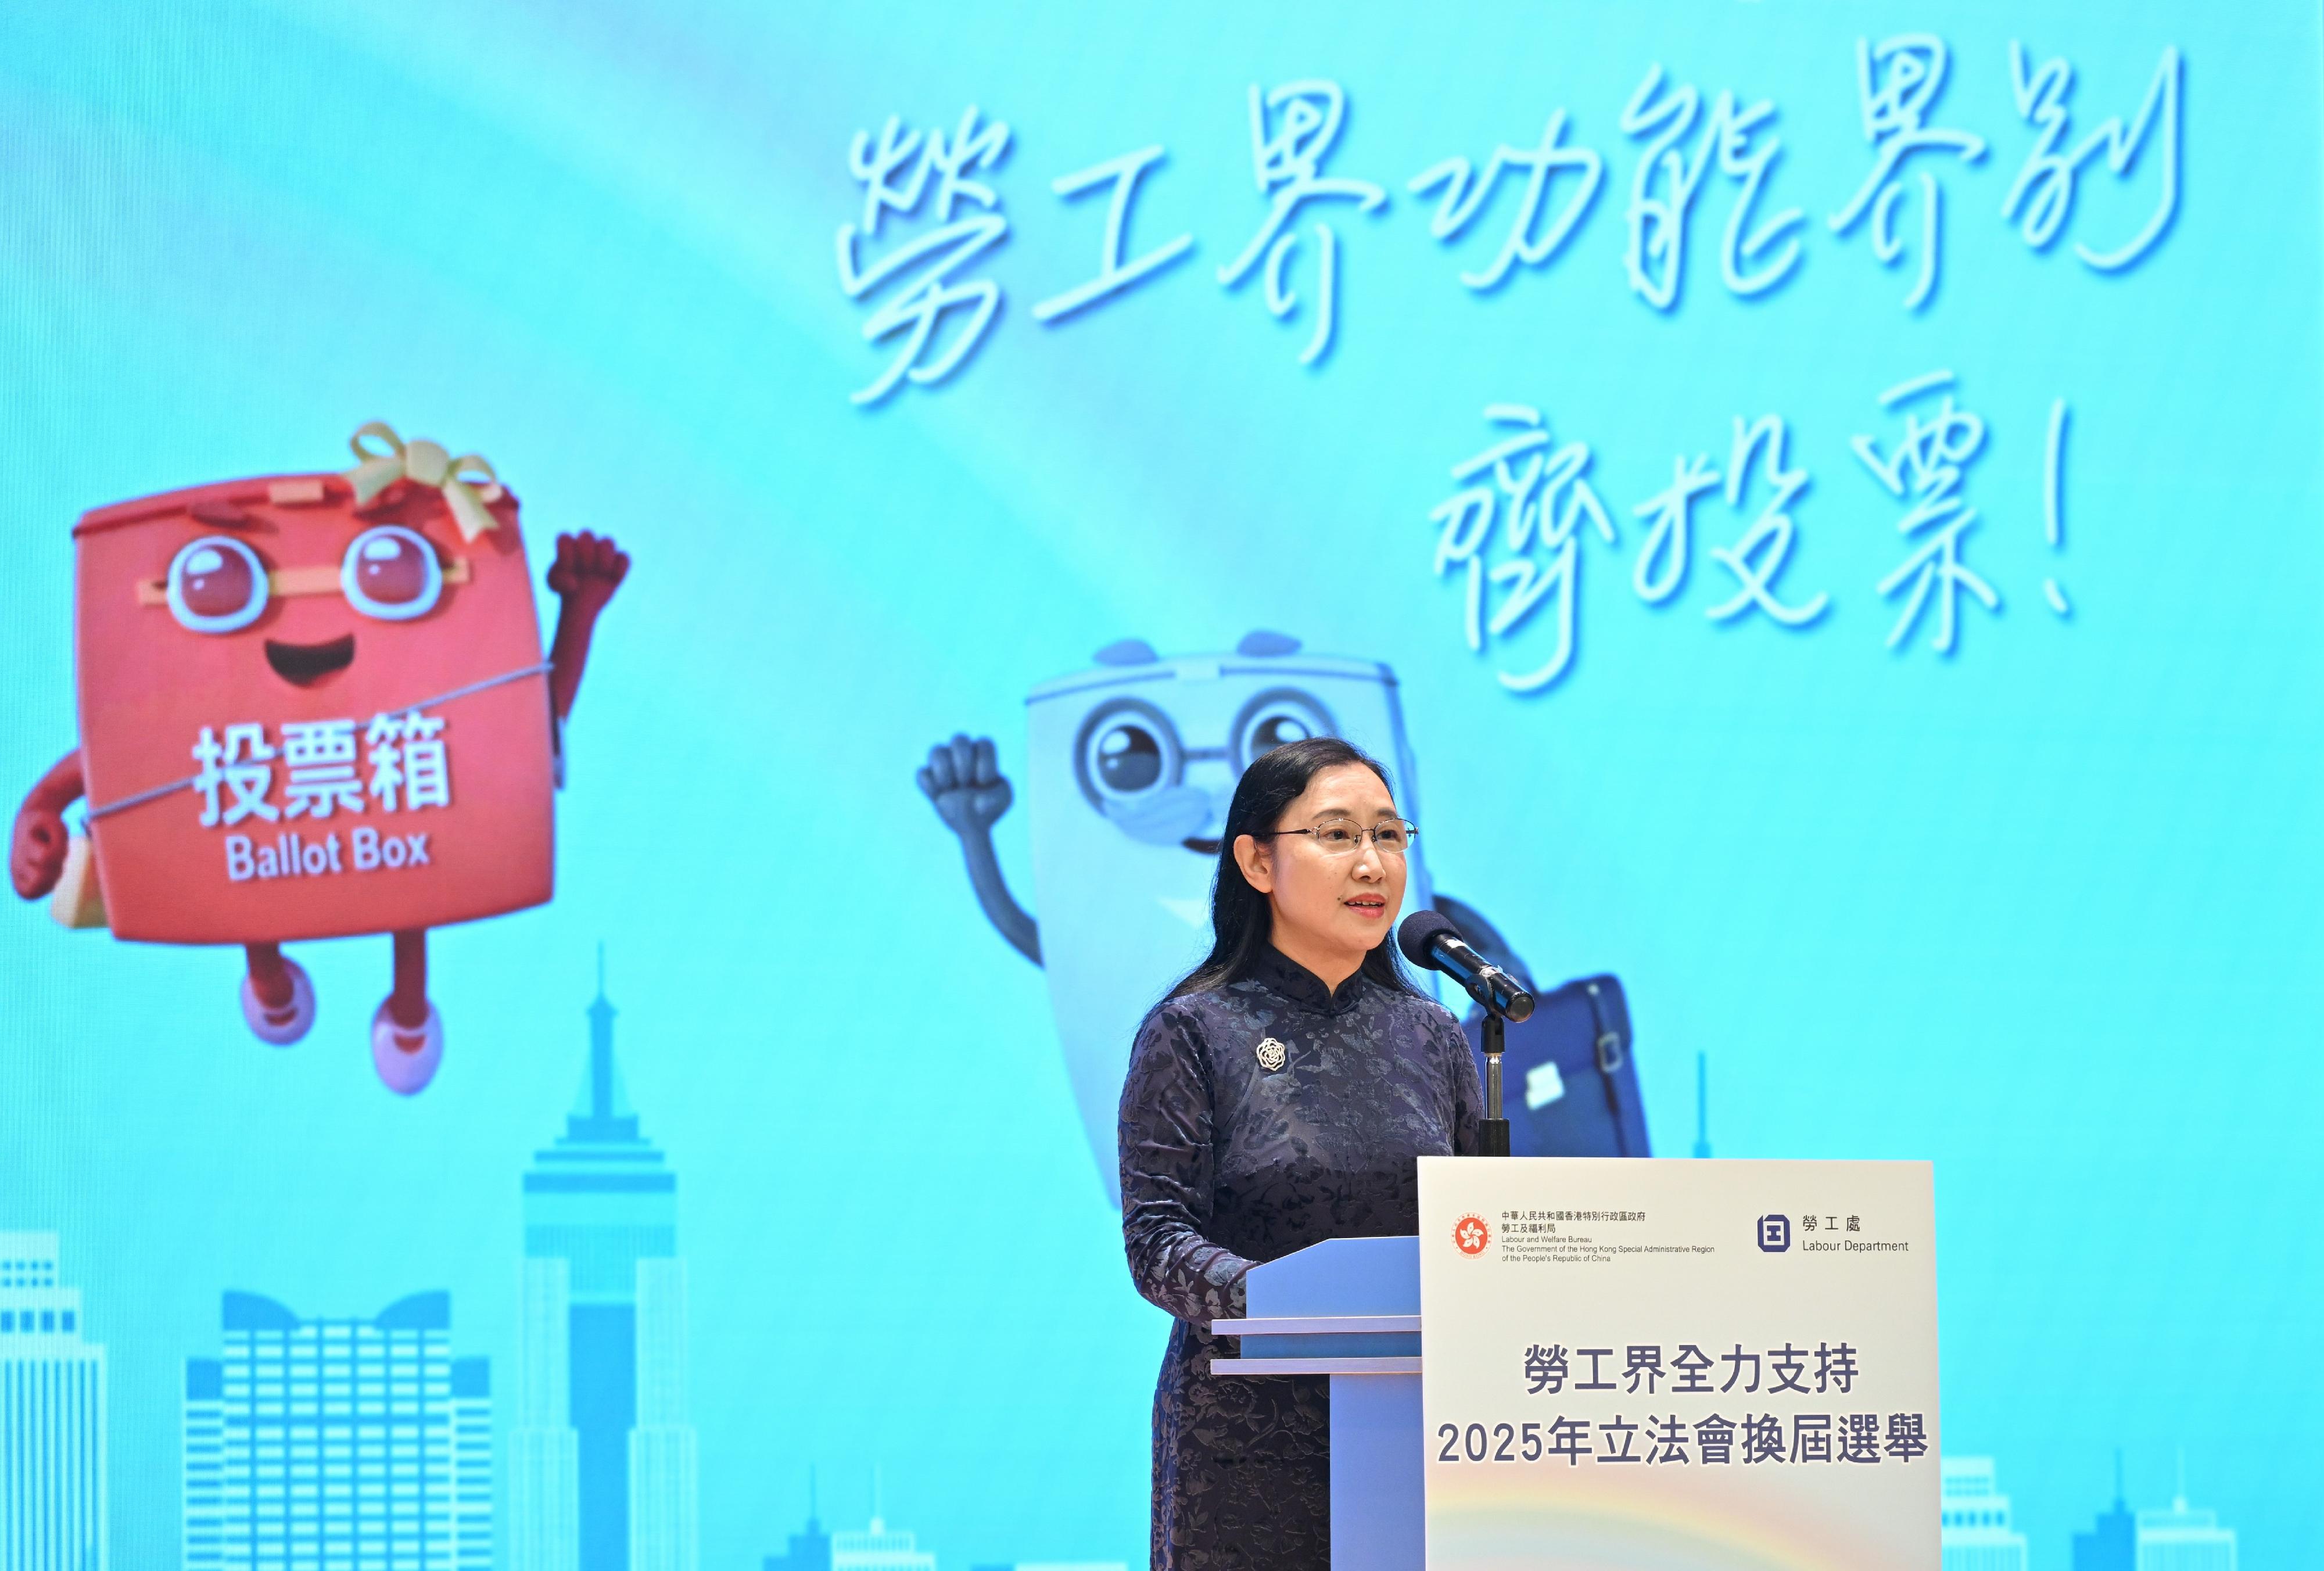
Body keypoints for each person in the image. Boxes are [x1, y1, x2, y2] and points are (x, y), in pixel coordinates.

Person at [1118, 736, 1483, 1569]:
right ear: (1255, 862)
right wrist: (1284, 1301)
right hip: (1246, 1444)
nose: (1372, 863)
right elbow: (1157, 1241)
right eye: (1337, 834)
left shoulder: (1433, 1036)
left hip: (1416, 1432)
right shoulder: (1193, 1032)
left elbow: (1476, 1232)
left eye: (1388, 836)